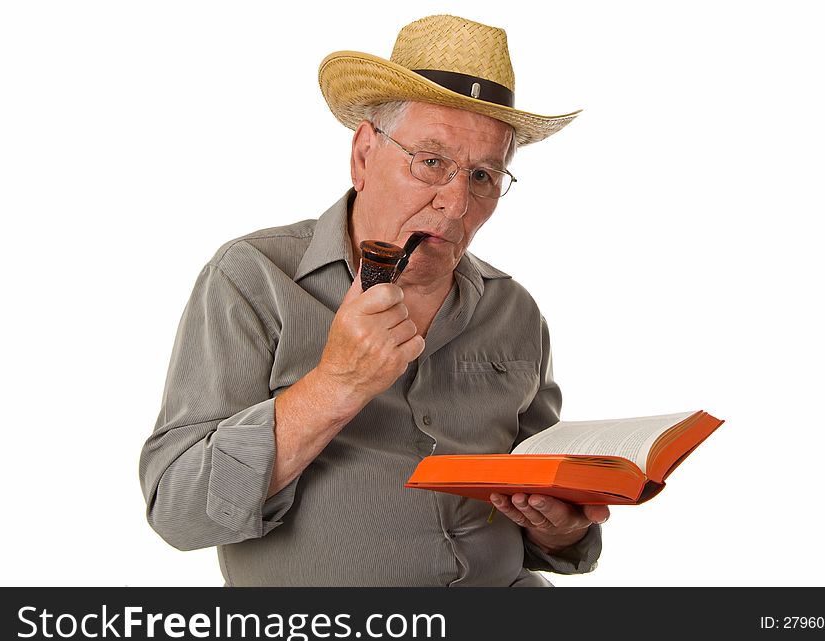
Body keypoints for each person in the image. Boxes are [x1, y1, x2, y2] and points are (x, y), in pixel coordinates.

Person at [139, 14, 608, 587]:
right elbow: (178, 513)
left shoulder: (515, 313)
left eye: (484, 176)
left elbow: (545, 508)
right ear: (364, 155)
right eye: (432, 162)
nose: (457, 204)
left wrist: (560, 530)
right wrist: (336, 384)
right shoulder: (253, 279)